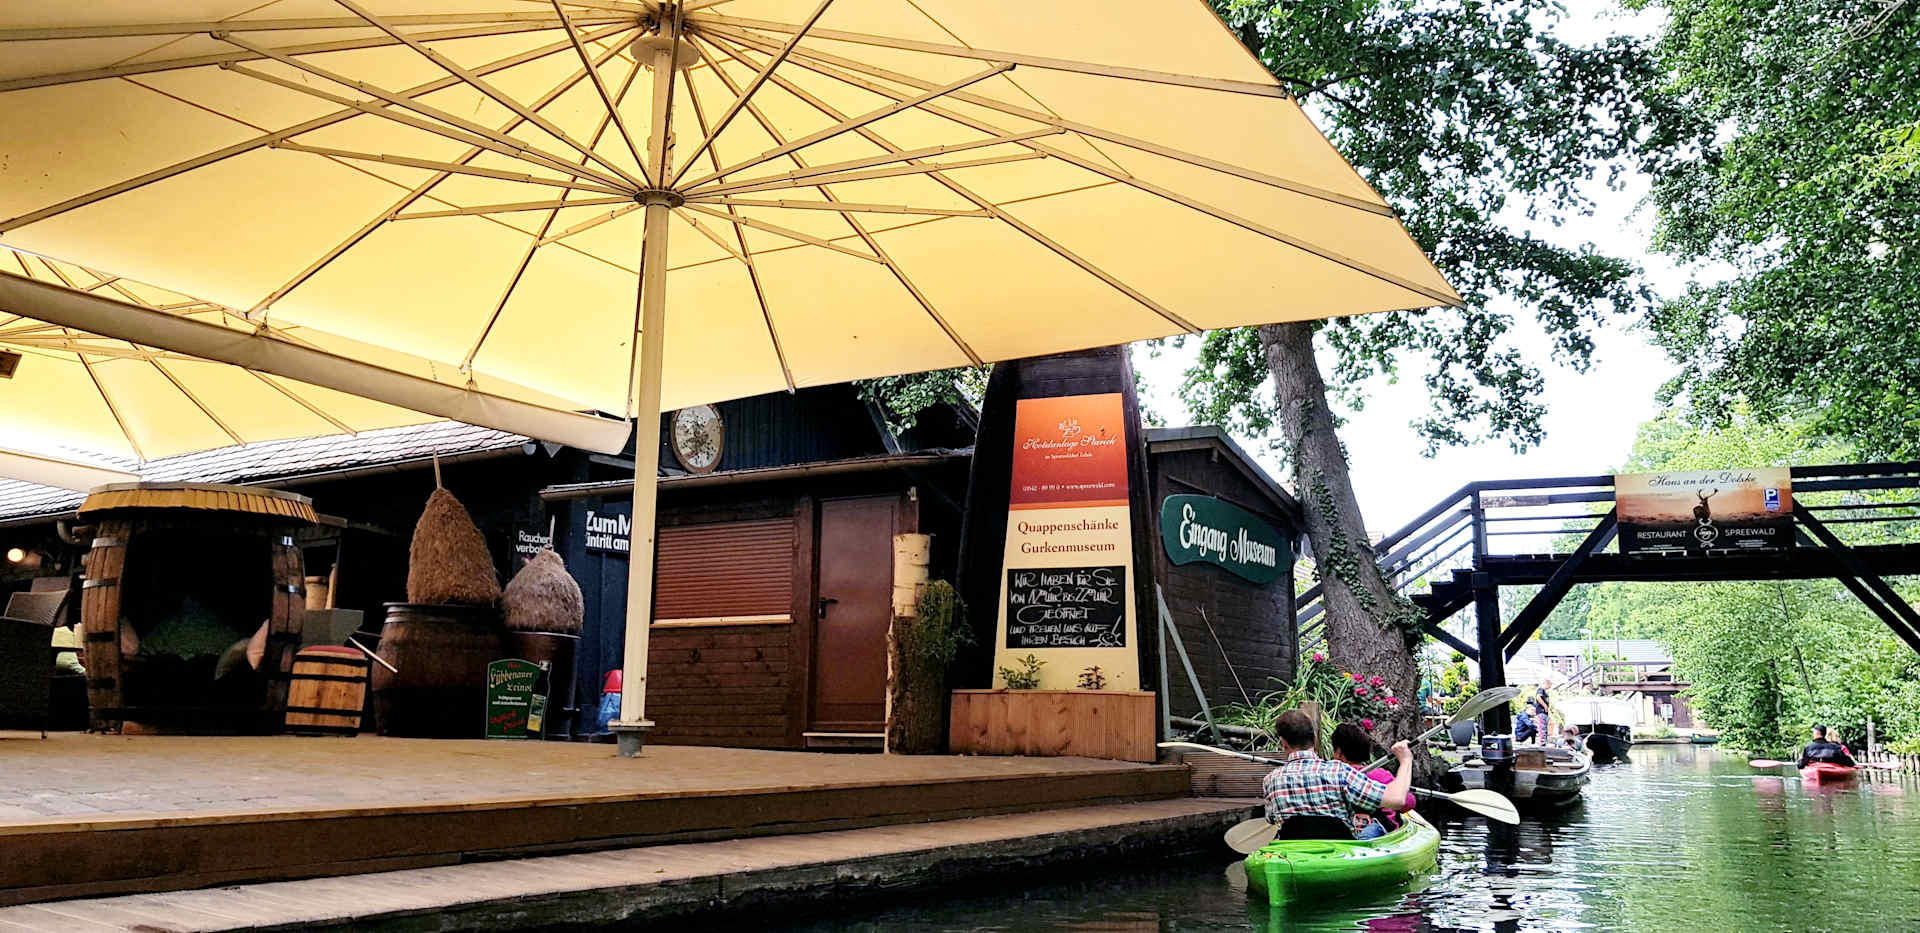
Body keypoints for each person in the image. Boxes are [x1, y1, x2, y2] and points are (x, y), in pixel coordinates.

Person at [1262, 709, 1414, 840]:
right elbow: (1398, 800)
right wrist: (1405, 760)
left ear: (1283, 743)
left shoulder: (1270, 780)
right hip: (1342, 852)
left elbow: (1271, 819)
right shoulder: (1340, 772)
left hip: (1295, 853)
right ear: (1315, 739)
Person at [1329, 722, 1417, 839]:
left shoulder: (1330, 776)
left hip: (1345, 833)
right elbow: (1409, 802)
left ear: (1338, 753)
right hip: (1379, 836)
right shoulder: (1380, 775)